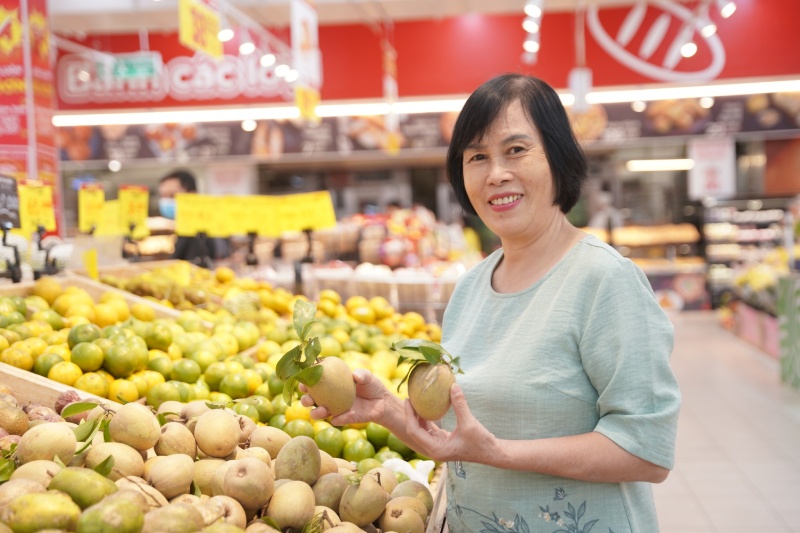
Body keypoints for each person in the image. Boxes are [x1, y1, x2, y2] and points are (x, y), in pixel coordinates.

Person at [302, 74, 681, 532]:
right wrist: (386, 410)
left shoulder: (604, 280)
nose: (496, 173)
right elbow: (459, 442)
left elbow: (646, 451)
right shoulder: (470, 288)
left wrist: (498, 453)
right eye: (477, 156)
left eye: (516, 150)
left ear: (558, 156)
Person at [157, 169, 231, 264]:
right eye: (163, 196)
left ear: (192, 195)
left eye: (172, 195)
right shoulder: (184, 228)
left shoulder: (198, 230)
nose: (167, 201)